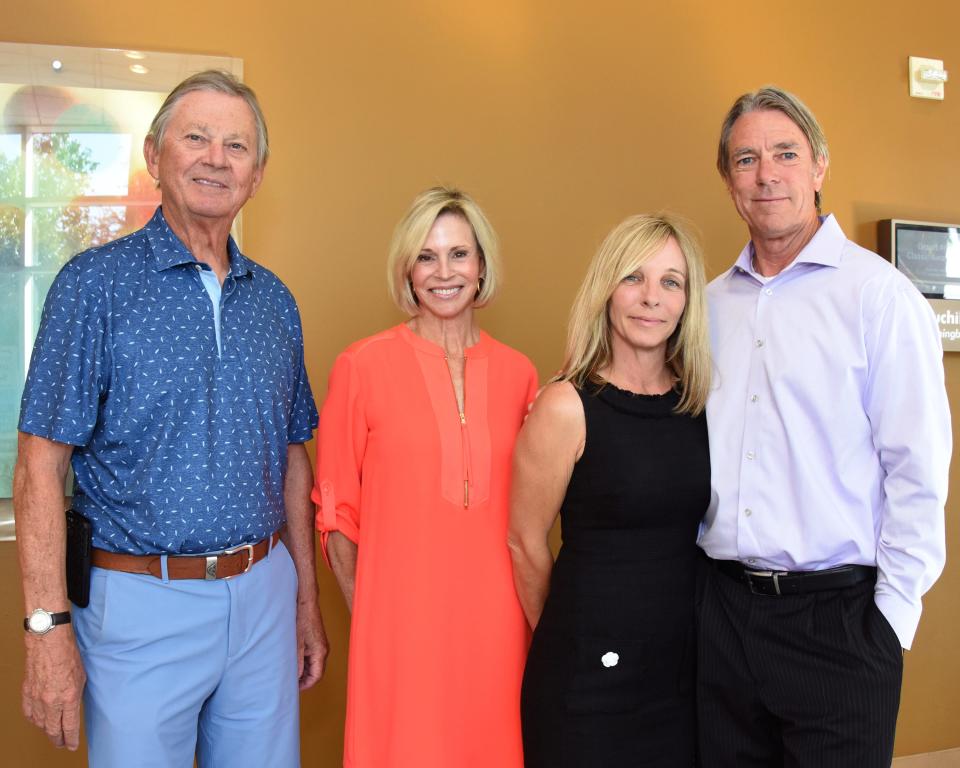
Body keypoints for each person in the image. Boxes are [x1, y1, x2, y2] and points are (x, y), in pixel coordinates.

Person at [14, 70, 328, 767]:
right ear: (155, 155)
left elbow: (292, 458)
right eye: (196, 138)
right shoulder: (94, 286)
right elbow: (40, 462)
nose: (216, 158)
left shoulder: (275, 301)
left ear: (258, 173)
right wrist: (47, 628)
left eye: (236, 146)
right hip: (137, 605)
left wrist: (306, 601)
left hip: (264, 599)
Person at [699, 85, 951, 767]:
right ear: (728, 182)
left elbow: (918, 469)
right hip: (720, 616)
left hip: (839, 621)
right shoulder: (707, 305)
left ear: (819, 167)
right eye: (745, 159)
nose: (766, 173)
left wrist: (889, 620)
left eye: (785, 153)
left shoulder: (878, 297)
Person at [314, 186, 538, 767]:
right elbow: (336, 516)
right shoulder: (360, 366)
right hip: (397, 629)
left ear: (482, 265)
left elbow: (534, 513)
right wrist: (372, 623)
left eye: (459, 254)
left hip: (497, 629)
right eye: (427, 256)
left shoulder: (520, 375)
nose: (444, 272)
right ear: (407, 270)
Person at [509, 213, 711, 767]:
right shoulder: (565, 406)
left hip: (681, 674)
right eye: (633, 278)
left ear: (687, 301)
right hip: (586, 680)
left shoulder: (699, 406)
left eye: (671, 282)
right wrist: (573, 635)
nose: (652, 298)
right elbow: (524, 542)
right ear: (606, 289)